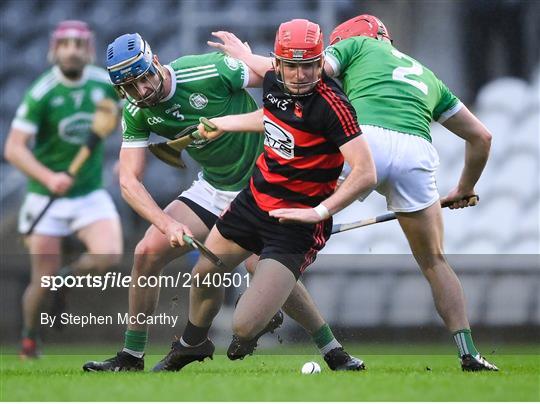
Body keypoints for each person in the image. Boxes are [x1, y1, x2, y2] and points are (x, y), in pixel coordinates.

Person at [206, 15, 497, 371]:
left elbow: (292, 67)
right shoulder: (428, 76)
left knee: (275, 231)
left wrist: (243, 55)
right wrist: (465, 188)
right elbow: (481, 137)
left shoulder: (357, 44)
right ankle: (468, 353)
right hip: (416, 154)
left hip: (363, 141)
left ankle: (266, 311)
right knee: (434, 261)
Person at [83, 32, 364, 372]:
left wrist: (320, 158)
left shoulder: (210, 70)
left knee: (262, 269)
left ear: (156, 62)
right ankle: (134, 355)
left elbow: (287, 93)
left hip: (266, 186)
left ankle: (332, 350)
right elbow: (128, 181)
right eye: (130, 87)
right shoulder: (137, 112)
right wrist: (167, 224)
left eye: (144, 78)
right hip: (214, 188)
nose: (141, 90)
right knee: (147, 253)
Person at [4, 20, 123, 359]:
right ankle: (29, 339)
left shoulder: (104, 83)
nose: (72, 50)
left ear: (88, 49)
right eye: (65, 44)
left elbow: (131, 113)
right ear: (55, 50)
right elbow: (14, 148)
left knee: (108, 255)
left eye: (78, 44)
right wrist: (48, 176)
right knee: (41, 280)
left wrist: (126, 155)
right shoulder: (42, 92)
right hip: (46, 196)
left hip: (88, 192)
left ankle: (66, 277)